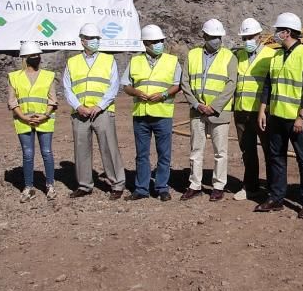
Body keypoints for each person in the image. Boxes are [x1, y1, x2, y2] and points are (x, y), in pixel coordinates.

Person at [255, 12, 303, 218]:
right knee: (276, 158)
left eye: (278, 31)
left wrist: (301, 116)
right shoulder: (277, 55)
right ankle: (276, 198)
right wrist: (263, 111)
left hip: (296, 120)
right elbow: (268, 85)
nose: (275, 34)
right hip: (277, 118)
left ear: (287, 32)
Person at [63, 23, 126, 199]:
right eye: (90, 38)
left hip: (102, 112)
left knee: (109, 148)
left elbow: (113, 86)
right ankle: (84, 185)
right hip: (80, 113)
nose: (94, 41)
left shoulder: (108, 59)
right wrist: (78, 107)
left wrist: (99, 106)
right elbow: (67, 88)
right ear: (82, 41)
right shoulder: (72, 62)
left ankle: (117, 184)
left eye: (97, 38)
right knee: (81, 148)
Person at [122, 24, 181, 201]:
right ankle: (141, 189)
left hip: (162, 114)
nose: (159, 44)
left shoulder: (172, 60)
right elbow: (126, 85)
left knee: (164, 154)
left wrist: (163, 95)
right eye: (155, 42)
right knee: (142, 154)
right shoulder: (135, 61)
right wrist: (136, 92)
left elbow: (177, 84)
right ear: (145, 43)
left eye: (160, 41)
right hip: (141, 114)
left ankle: (162, 187)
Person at [181, 19, 237, 201]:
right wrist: (197, 104)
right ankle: (194, 184)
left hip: (218, 113)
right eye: (212, 37)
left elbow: (231, 84)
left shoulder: (229, 56)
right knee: (196, 150)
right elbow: (185, 81)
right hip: (197, 111)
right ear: (204, 36)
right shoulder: (192, 55)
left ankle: (219, 185)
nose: (216, 40)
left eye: (218, 37)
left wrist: (214, 106)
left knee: (220, 152)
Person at [8, 41, 57, 202]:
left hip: (44, 120)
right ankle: (28, 187)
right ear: (24, 58)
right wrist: (23, 116)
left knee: (47, 152)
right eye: (33, 55)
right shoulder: (14, 77)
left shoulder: (48, 75)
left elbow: (53, 100)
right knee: (28, 154)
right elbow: (12, 101)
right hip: (23, 121)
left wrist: (45, 115)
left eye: (38, 55)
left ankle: (50, 185)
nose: (36, 58)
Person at [232, 18, 276, 200]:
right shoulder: (239, 56)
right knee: (248, 151)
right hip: (242, 111)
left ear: (259, 36)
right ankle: (250, 186)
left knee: (269, 151)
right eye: (245, 37)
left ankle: (274, 189)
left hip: (262, 113)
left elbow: (273, 85)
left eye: (251, 36)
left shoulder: (270, 55)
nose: (247, 40)